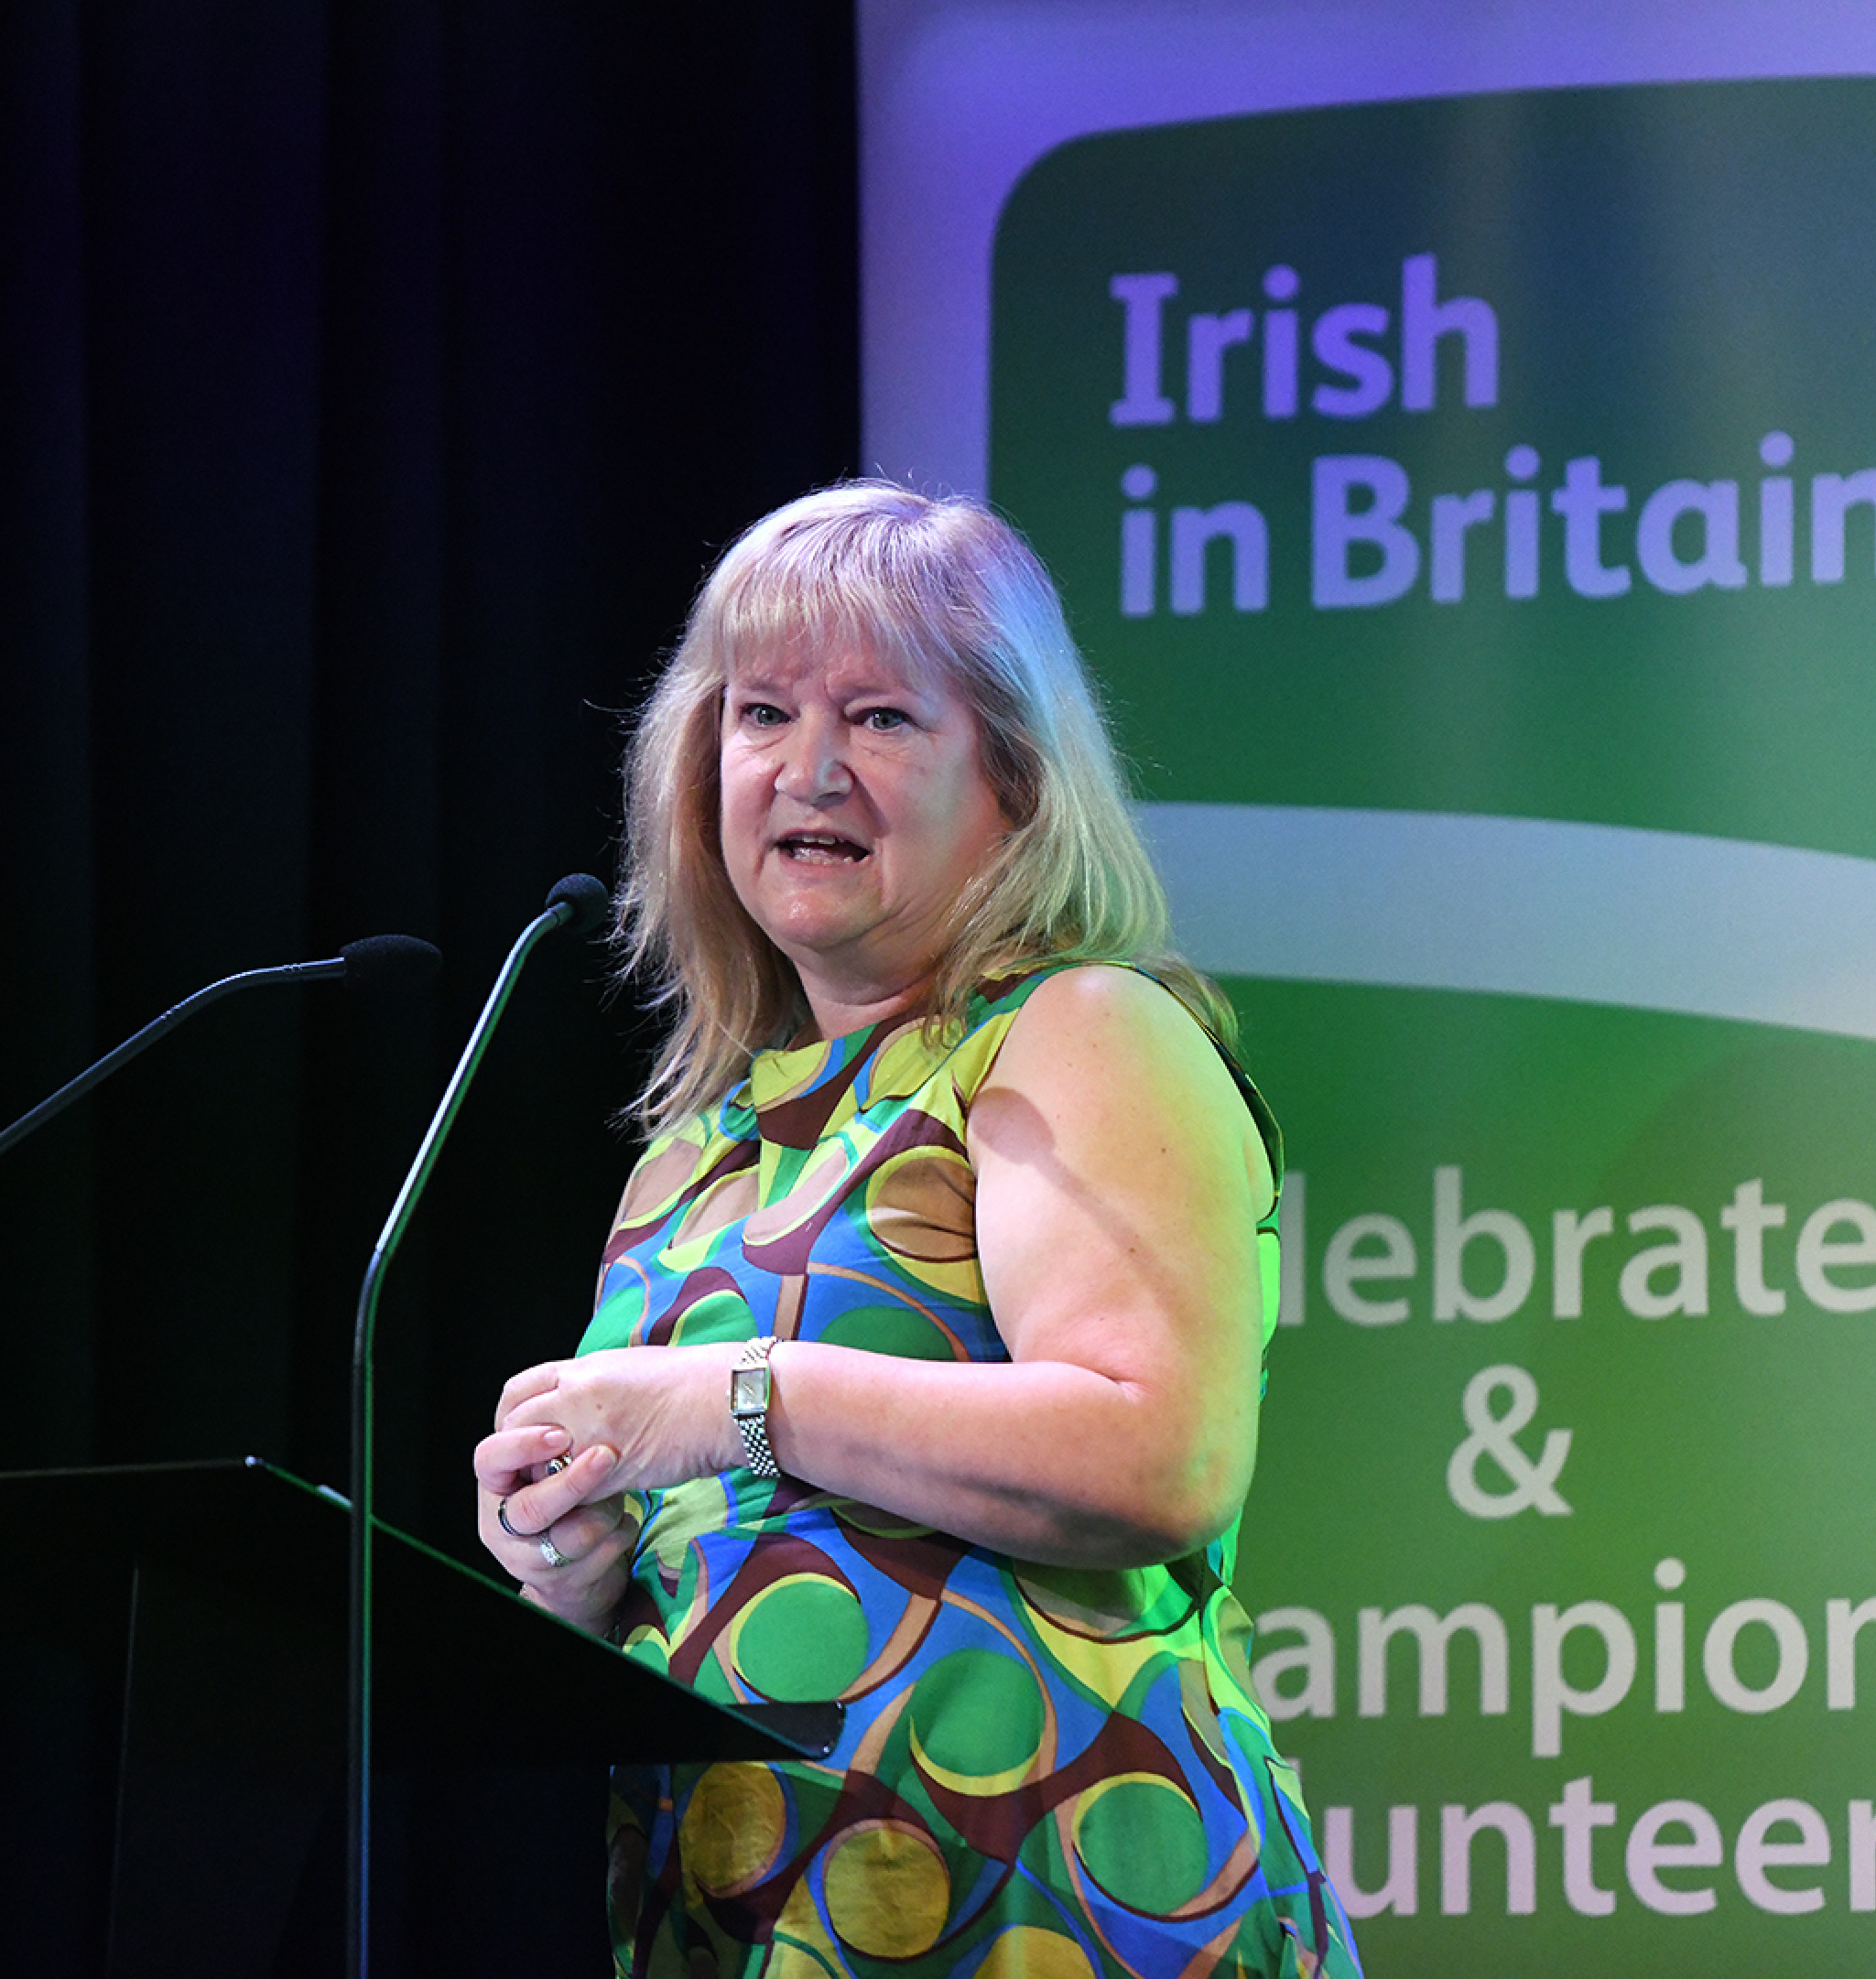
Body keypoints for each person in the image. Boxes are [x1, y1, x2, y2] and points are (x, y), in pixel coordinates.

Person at [474, 481, 1361, 1978]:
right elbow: (704, 1559)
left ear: (1012, 778)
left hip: (1056, 1895)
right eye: (761, 713)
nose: (807, 767)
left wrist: (729, 1398)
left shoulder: (1077, 1028)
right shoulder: (692, 1153)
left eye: (879, 716)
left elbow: (1159, 1454)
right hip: (761, 1919)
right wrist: (572, 1564)